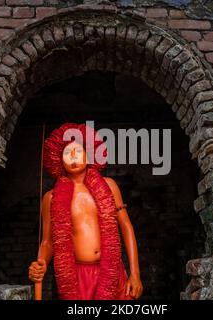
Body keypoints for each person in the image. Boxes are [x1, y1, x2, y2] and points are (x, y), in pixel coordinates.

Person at [28, 123, 143, 300]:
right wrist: (41, 263)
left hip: (112, 270)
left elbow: (126, 226)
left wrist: (135, 274)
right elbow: (48, 241)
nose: (73, 157)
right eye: (67, 153)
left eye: (77, 151)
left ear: (89, 154)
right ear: (58, 159)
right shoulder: (51, 198)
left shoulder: (109, 186)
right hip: (76, 277)